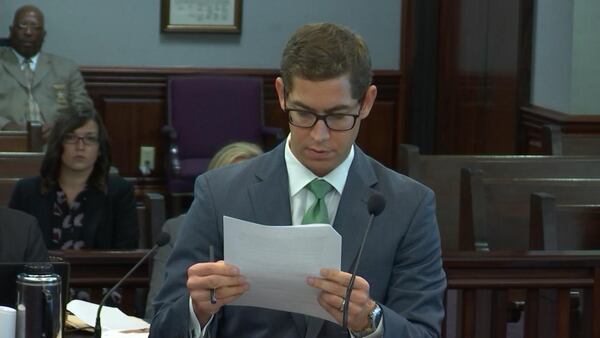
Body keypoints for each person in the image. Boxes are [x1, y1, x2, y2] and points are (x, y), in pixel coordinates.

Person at [150, 23, 446, 338]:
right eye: (303, 114)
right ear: (281, 94)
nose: (319, 136)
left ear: (366, 103)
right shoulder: (220, 192)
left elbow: (424, 332)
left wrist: (371, 321)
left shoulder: (409, 206)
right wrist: (197, 311)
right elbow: (164, 325)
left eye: (338, 117)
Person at [144, 141, 263, 320]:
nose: (240, 195)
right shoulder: (176, 230)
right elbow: (155, 314)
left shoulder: (278, 232)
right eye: (232, 185)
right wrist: (196, 310)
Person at [9, 108, 138, 250]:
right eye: (70, 138)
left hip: (100, 272)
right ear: (58, 144)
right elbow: (13, 251)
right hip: (41, 272)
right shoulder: (27, 191)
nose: (80, 146)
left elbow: (126, 256)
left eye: (90, 139)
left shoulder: (119, 192)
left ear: (100, 148)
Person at [0, 5, 93, 139]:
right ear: (11, 30)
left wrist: (60, 127)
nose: (28, 32)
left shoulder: (66, 67)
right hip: (7, 141)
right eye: (22, 25)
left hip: (57, 142)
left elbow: (84, 109)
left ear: (43, 35)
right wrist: (6, 125)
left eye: (35, 27)